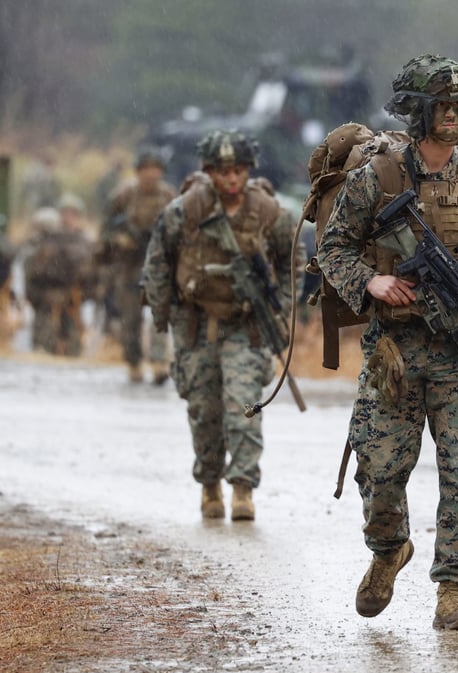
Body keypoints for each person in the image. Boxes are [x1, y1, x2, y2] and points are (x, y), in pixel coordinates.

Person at [316, 54, 458, 631]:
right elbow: (333, 248)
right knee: (379, 471)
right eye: (441, 106)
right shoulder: (377, 178)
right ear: (417, 111)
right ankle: (388, 549)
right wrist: (370, 282)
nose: (451, 116)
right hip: (395, 351)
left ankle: (452, 590)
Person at [142, 130, 302, 522]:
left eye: (238, 170)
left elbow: (292, 261)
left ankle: (243, 488)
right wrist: (164, 314)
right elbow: (158, 261)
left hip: (247, 326)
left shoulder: (269, 212)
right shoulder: (185, 211)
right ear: (209, 171)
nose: (231, 179)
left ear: (248, 170)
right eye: (222, 171)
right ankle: (210, 482)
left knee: (244, 407)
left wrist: (282, 310)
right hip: (196, 324)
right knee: (204, 410)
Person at [98, 147, 177, 383]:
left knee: (160, 315)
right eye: (147, 169)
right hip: (129, 265)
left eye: (156, 170)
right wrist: (119, 240)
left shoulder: (168, 196)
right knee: (130, 318)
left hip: (159, 265)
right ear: (138, 172)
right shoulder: (124, 196)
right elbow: (105, 229)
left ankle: (159, 363)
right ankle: (134, 363)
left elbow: (180, 228)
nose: (151, 175)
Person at [24, 198, 94, 356]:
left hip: (73, 298)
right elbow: (33, 271)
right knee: (43, 346)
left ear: (78, 217)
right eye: (64, 213)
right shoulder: (47, 240)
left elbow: (90, 274)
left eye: (72, 214)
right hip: (46, 297)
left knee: (73, 348)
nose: (67, 218)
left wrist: (79, 294)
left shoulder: (84, 242)